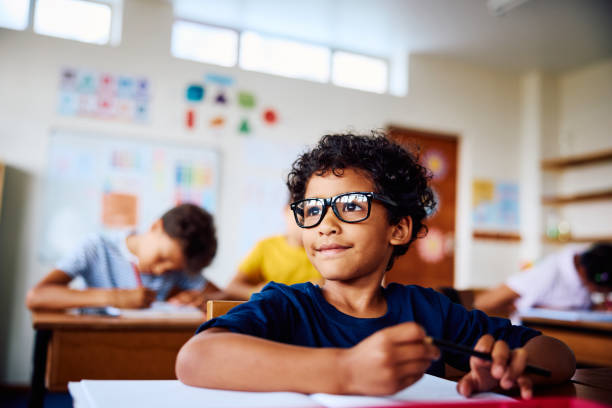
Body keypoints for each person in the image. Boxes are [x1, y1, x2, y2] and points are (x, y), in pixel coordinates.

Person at [176, 132, 575, 398]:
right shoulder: (286, 305)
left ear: (399, 229)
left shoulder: (428, 310)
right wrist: (347, 370)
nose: (325, 225)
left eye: (350, 206)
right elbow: (194, 359)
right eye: (311, 210)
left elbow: (559, 355)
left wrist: (511, 368)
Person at [26, 203, 218, 310]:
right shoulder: (96, 248)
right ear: (155, 227)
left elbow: (222, 296)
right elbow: (37, 296)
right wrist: (113, 297)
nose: (161, 270)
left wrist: (201, 299)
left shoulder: (179, 264)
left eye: (171, 269)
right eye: (161, 258)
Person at [474, 243, 612, 316]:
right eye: (601, 290)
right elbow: (483, 302)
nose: (601, 293)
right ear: (586, 274)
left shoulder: (588, 263)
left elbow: (581, 304)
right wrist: (521, 308)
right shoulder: (548, 274)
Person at [224, 205, 321, 300]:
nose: (304, 226)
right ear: (286, 211)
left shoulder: (324, 252)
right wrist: (257, 292)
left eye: (313, 216)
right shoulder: (266, 247)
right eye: (301, 218)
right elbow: (232, 287)